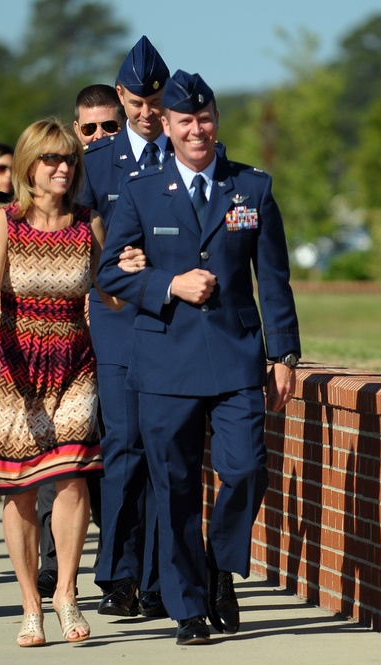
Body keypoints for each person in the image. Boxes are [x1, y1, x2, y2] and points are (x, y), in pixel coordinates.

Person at [96, 69, 301, 645]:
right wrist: (167, 285)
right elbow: (110, 272)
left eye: (205, 118)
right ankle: (188, 610)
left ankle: (216, 563)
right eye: (184, 120)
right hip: (164, 360)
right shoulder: (140, 189)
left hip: (237, 357)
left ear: (216, 121)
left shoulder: (251, 188)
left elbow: (275, 281)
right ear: (166, 122)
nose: (196, 130)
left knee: (243, 470)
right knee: (175, 485)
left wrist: (283, 352)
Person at [0, 119, 130, 647]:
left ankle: (67, 591)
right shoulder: (4, 223)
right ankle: (30, 604)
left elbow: (111, 298)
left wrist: (129, 272)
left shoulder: (91, 224)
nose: (63, 167)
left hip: (73, 360)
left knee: (73, 477)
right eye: (51, 160)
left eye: (69, 159)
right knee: (16, 489)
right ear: (28, 168)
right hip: (13, 363)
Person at [78, 35, 171, 619]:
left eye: (153, 99)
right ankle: (118, 573)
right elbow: (77, 237)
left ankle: (164, 577)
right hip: (115, 321)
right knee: (123, 446)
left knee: (167, 449)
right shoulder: (95, 163)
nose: (144, 111)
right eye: (134, 101)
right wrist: (109, 268)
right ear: (120, 95)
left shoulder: (186, 155)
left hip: (172, 322)